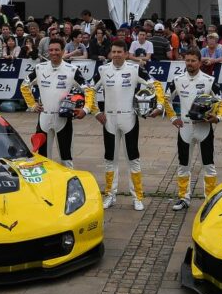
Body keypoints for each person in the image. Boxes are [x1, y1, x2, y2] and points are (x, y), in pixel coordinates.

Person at [86, 43, 164, 210]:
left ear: (126, 53)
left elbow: (155, 85)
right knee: (109, 159)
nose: (116, 55)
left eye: (119, 52)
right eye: (113, 52)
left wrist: (159, 106)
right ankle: (110, 195)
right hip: (109, 120)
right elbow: (89, 89)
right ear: (110, 53)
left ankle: (137, 197)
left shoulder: (135, 69)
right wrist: (95, 111)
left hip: (129, 119)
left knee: (133, 159)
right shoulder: (103, 70)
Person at [163, 48, 222, 211]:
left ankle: (210, 199)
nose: (190, 63)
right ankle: (184, 197)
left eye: (193, 60)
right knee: (183, 164)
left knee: (208, 165)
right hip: (185, 128)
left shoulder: (209, 80)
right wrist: (173, 118)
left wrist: (217, 117)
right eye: (187, 60)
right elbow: (165, 99)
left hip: (204, 128)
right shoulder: (177, 80)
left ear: (199, 62)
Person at [25, 37, 88, 169]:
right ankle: (46, 189)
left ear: (63, 51)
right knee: (42, 159)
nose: (54, 53)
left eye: (57, 50)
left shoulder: (72, 70)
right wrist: (32, 105)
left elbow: (89, 89)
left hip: (63, 119)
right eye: (51, 50)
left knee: (66, 158)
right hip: (44, 118)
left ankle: (67, 188)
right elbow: (24, 86)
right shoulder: (39, 68)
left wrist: (85, 109)